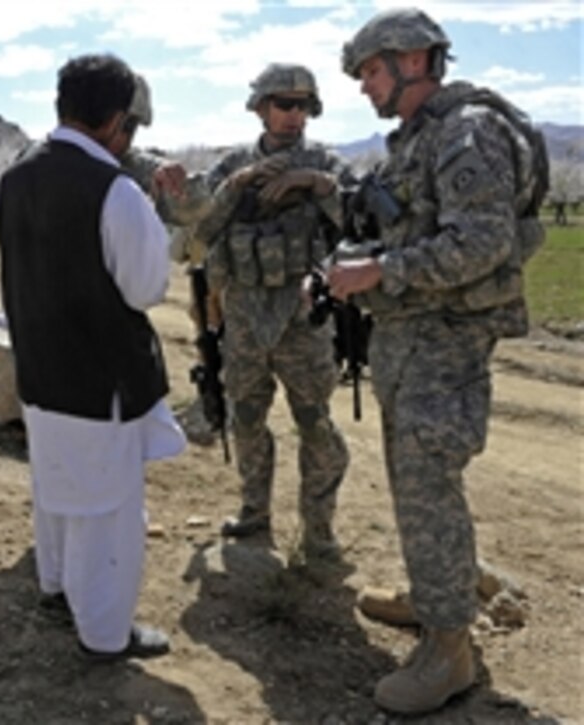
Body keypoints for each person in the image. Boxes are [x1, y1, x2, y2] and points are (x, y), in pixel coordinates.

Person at [331, 8, 547, 714]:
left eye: (371, 70)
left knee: (428, 482)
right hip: (413, 341)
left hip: (443, 344)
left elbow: (482, 243)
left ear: (415, 60)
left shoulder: (466, 132)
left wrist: (381, 271)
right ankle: (434, 600)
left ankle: (449, 649)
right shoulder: (424, 137)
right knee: (414, 482)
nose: (365, 87)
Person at [0, 53, 185, 661]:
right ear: (117, 120)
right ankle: (104, 634)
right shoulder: (116, 192)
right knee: (108, 511)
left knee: (54, 485)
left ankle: (55, 585)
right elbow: (145, 289)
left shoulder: (14, 177)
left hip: (40, 371)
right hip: (99, 378)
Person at [183, 64, 351, 559]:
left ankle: (318, 532)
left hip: (304, 320)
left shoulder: (327, 165)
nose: (294, 115)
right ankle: (255, 513)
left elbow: (362, 223)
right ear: (260, 108)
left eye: (302, 105)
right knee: (247, 420)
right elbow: (200, 232)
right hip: (244, 321)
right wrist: (237, 187)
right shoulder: (232, 167)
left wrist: (319, 184)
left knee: (315, 423)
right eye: (283, 104)